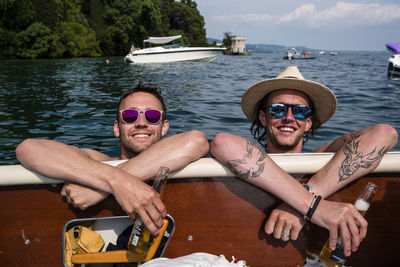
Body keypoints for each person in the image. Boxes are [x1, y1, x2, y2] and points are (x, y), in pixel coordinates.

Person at [210, 66, 398, 257]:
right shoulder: (251, 154)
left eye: (300, 112)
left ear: (308, 123)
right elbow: (222, 143)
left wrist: (306, 199)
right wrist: (314, 207)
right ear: (263, 118)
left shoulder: (321, 157)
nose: (289, 118)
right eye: (277, 110)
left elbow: (384, 134)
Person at [16, 82, 209, 235]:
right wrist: (117, 181)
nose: (141, 123)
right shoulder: (95, 160)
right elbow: (29, 149)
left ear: (164, 127)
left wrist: (103, 185)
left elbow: (196, 141)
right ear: (117, 127)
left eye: (151, 116)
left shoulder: (92, 169)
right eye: (130, 116)